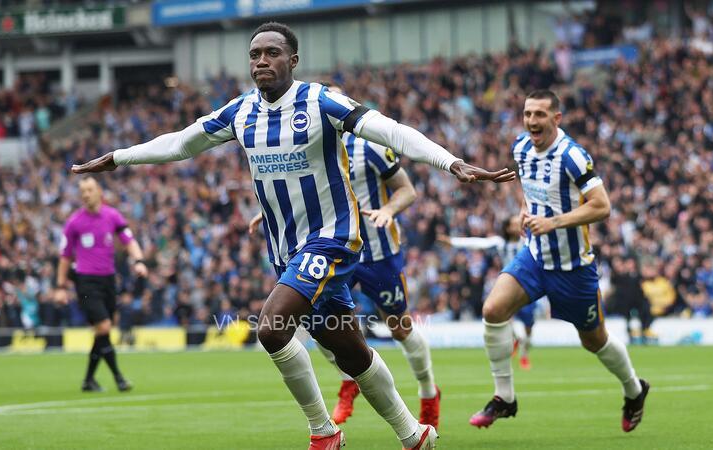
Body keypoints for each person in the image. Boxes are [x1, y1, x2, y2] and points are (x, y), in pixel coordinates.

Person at [72, 22, 514, 450]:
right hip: (286, 251)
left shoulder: (321, 102)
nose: (261, 61)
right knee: (351, 352)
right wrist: (119, 157)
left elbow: (391, 130)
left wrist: (451, 162)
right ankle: (413, 435)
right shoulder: (240, 112)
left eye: (272, 53)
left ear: (293, 60)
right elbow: (182, 143)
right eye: (254, 54)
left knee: (271, 329)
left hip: (332, 239)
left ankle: (323, 431)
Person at [248, 89, 441, 427]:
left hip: (377, 252)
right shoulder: (304, 145)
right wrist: (269, 212)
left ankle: (428, 392)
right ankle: (348, 379)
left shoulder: (371, 146)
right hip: (329, 247)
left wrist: (388, 210)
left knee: (399, 326)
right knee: (318, 320)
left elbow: (407, 190)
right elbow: (295, 191)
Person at [468, 90, 649, 433]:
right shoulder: (521, 147)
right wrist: (524, 211)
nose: (532, 121)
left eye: (539, 114)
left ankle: (634, 389)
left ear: (556, 118)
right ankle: (504, 397)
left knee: (594, 340)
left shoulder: (572, 156)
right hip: (535, 256)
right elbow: (530, 189)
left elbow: (602, 206)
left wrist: (554, 222)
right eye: (527, 114)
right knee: (493, 310)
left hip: (572, 267)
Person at [54, 177, 147, 392]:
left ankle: (88, 380)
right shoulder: (74, 222)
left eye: (89, 190)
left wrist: (139, 261)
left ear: (99, 192)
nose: (86, 194)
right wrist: (60, 287)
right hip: (86, 281)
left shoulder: (112, 216)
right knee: (104, 326)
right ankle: (118, 377)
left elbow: (128, 240)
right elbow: (65, 256)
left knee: (102, 331)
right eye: (82, 191)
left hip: (108, 280)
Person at [438, 216, 538, 370]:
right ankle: (515, 339)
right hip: (509, 287)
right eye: (512, 224)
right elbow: (477, 242)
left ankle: (524, 353)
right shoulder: (500, 243)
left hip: (527, 287)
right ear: (507, 228)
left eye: (517, 224)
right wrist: (452, 241)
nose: (516, 226)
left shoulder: (527, 242)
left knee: (529, 327)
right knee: (502, 315)